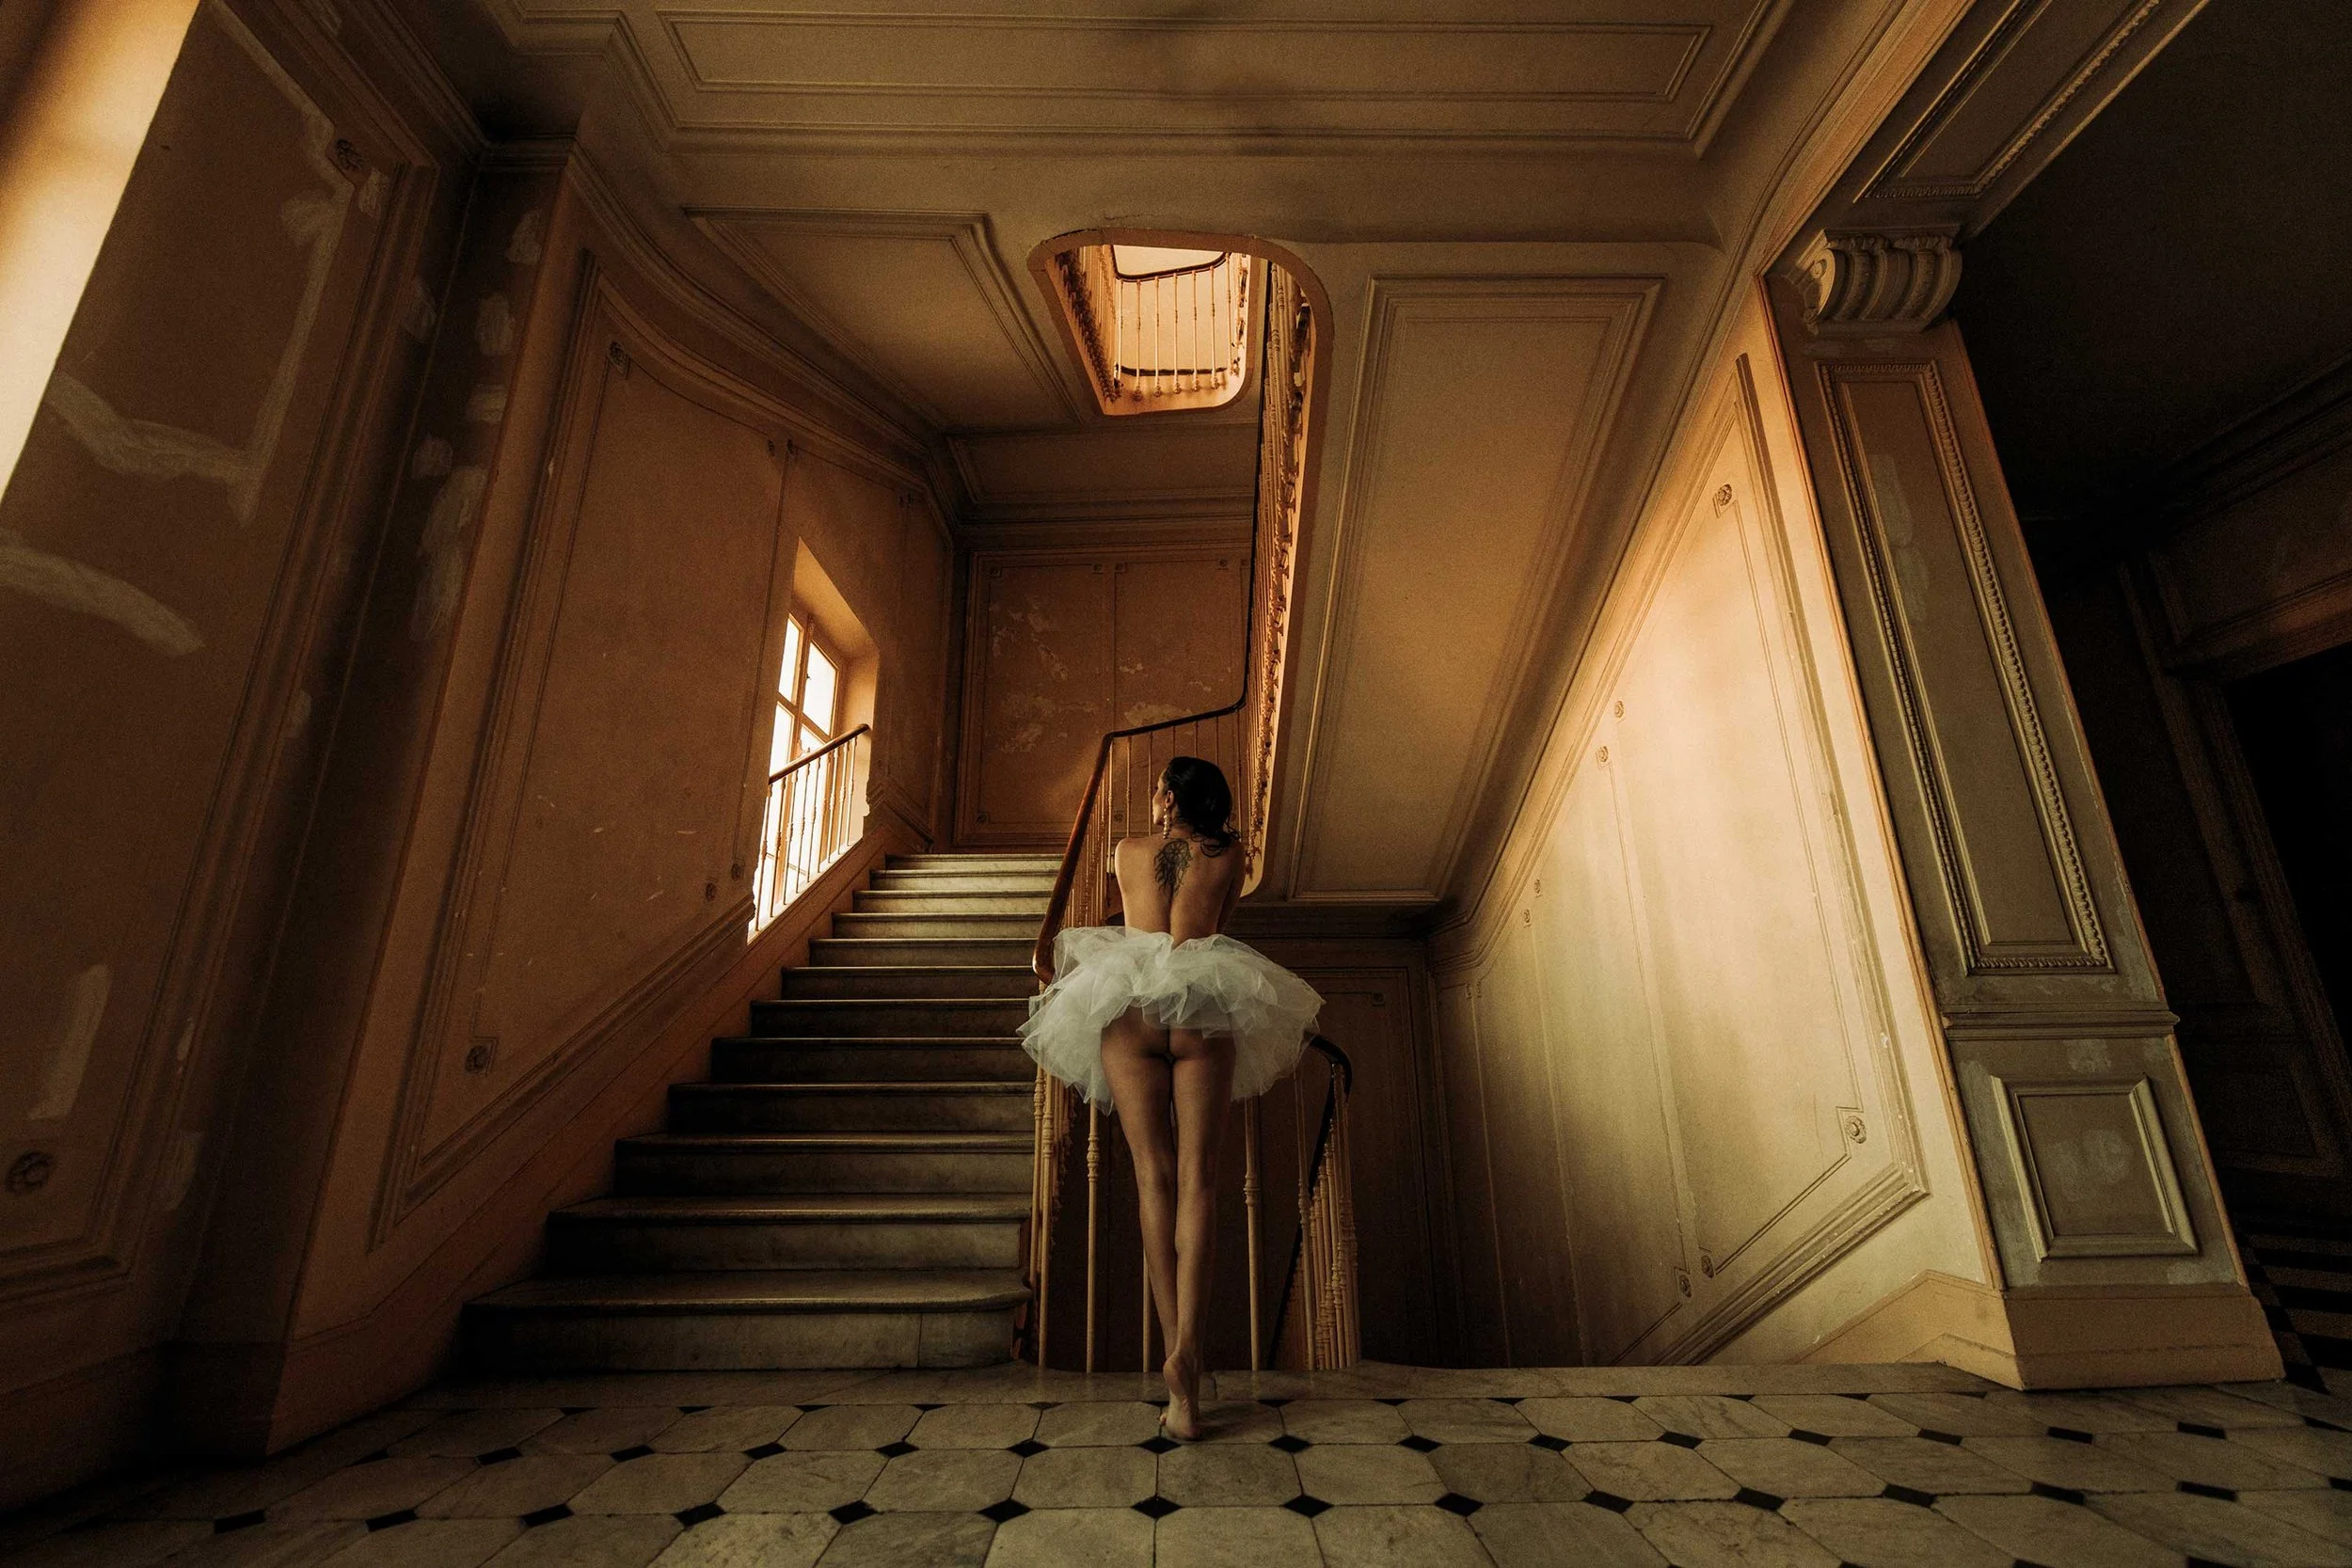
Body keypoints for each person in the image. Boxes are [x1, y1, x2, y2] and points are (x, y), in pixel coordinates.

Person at [1020, 756, 1323, 1439]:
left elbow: (1135, 916)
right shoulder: (1231, 853)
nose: (1154, 793)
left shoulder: (1127, 850)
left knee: (1151, 1175)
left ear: (1167, 796)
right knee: (1199, 1181)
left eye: (1159, 785)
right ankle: (1190, 1350)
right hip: (1202, 1003)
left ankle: (1173, 1359)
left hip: (1127, 1005)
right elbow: (1216, 924)